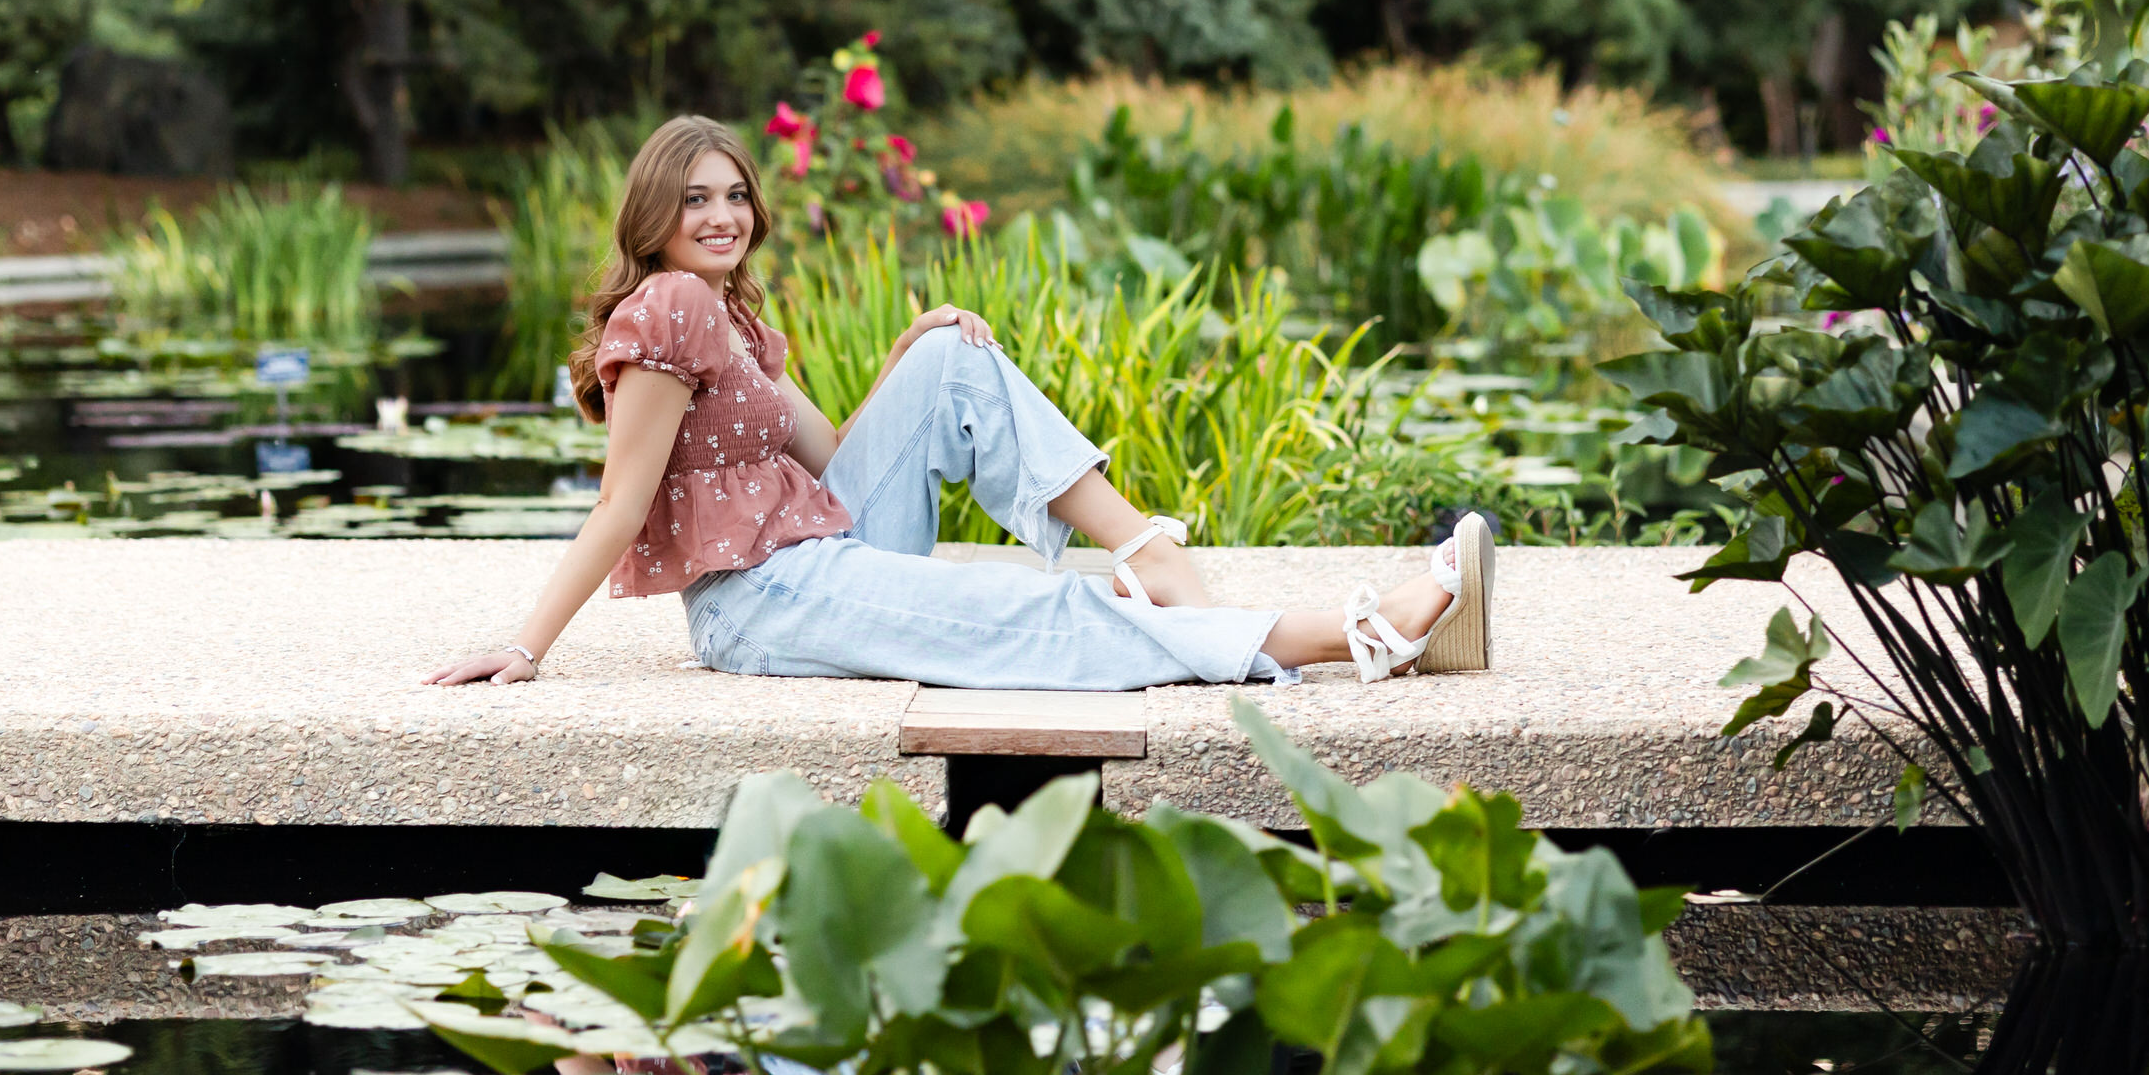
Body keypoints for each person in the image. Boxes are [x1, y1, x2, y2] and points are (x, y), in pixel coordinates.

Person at [427, 115, 1491, 691]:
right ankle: (1354, 637)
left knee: (952, 359)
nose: (722, 215)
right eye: (694, 198)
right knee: (1032, 613)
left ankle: (1142, 549)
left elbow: (834, 450)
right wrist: (526, 647)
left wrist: (907, 346)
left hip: (818, 549)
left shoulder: (734, 316)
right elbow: (620, 503)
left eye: (735, 193)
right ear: (651, 214)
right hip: (760, 600)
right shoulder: (666, 309)